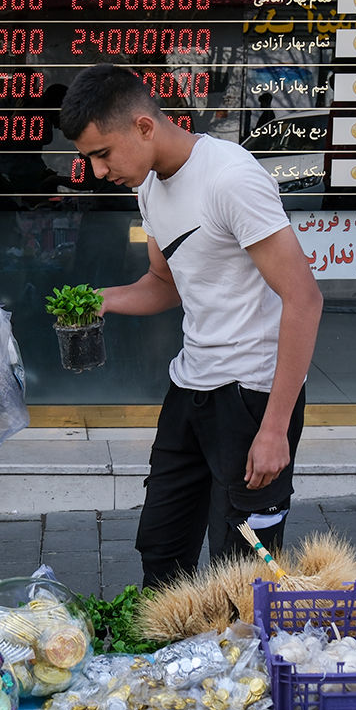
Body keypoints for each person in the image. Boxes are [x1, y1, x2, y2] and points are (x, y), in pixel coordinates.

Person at [59, 64, 323, 589]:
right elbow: (165, 284)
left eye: (102, 154)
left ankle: (243, 669)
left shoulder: (231, 177)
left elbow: (305, 299)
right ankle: (169, 662)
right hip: (191, 388)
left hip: (251, 397)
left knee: (242, 566)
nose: (96, 171)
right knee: (161, 548)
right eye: (88, 158)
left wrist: (274, 429)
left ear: (143, 126)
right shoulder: (150, 189)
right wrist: (100, 300)